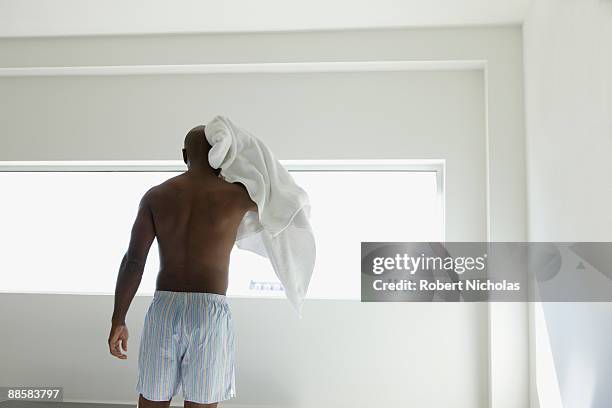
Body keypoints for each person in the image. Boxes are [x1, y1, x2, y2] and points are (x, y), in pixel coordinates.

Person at [108, 125, 257, 408]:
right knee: (201, 403)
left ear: (184, 155)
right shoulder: (238, 196)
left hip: (164, 308)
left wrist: (119, 318)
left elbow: (134, 261)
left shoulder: (156, 196)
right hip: (209, 313)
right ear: (219, 154)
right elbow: (280, 197)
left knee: (152, 401)